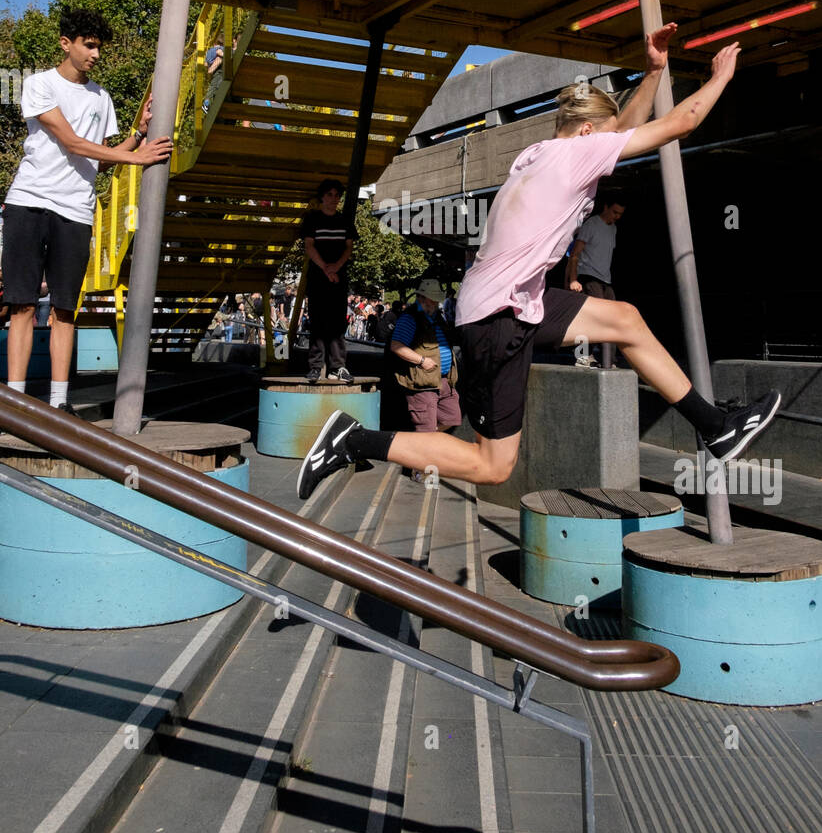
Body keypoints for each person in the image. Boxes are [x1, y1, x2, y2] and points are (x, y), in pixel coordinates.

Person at [297, 25, 781, 501]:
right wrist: (721, 76)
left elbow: (623, 128)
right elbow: (682, 123)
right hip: (496, 319)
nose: (613, 142)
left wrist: (653, 72)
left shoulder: (540, 154)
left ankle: (715, 427)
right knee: (493, 466)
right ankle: (353, 440)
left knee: (625, 319)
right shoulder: (573, 158)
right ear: (588, 132)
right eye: (605, 135)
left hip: (516, 302)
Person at [2, 7, 172, 409]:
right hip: (29, 201)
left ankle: (59, 404)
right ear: (67, 44)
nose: (96, 54)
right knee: (23, 304)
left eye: (99, 47)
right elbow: (72, 143)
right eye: (89, 45)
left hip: (76, 211)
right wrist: (140, 158)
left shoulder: (102, 97)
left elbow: (103, 157)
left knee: (65, 308)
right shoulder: (38, 85)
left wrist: (137, 136)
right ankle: (16, 401)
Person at [390, 279, 461, 453]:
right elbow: (396, 346)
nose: (436, 302)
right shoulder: (410, 318)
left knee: (452, 418)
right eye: (433, 299)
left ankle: (423, 442)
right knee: (425, 427)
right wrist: (421, 360)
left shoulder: (437, 316)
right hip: (423, 383)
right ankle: (421, 469)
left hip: (443, 381)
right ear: (422, 298)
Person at [301, 178, 357, 383]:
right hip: (318, 278)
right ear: (322, 197)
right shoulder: (312, 219)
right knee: (317, 322)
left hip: (338, 278)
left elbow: (349, 247)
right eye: (330, 195)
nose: (334, 199)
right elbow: (309, 246)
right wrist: (326, 268)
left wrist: (337, 267)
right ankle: (315, 366)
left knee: (337, 323)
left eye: (337, 196)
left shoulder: (345, 221)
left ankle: (338, 366)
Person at [566, 193, 626, 368]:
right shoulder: (591, 224)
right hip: (587, 276)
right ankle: (582, 356)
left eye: (620, 214)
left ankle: (609, 360)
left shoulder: (613, 229)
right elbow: (575, 255)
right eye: (614, 212)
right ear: (606, 207)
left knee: (613, 319)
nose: (616, 217)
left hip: (605, 279)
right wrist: (573, 280)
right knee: (589, 319)